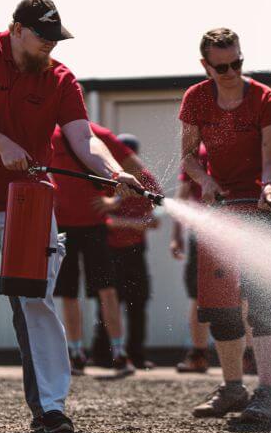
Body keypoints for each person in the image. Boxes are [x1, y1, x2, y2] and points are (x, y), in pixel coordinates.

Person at [0, 0, 141, 433]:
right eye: (42, 36)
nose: (50, 45)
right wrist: (2, 144)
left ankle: (50, 407)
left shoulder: (61, 79)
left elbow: (84, 138)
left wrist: (114, 172)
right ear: (16, 29)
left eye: (56, 38)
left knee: (37, 303)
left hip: (28, 203)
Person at [179, 27, 271, 423]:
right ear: (205, 66)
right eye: (222, 66)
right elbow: (189, 157)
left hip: (267, 208)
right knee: (221, 305)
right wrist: (205, 181)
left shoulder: (265, 99)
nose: (231, 72)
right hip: (222, 211)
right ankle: (232, 389)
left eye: (237, 63)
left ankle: (265, 394)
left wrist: (268, 186)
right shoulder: (196, 99)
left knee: (266, 304)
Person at [50, 122, 140, 377]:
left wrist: (115, 201)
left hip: (94, 226)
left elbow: (135, 168)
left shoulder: (98, 134)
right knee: (68, 292)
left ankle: (119, 353)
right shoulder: (48, 134)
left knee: (107, 289)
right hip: (62, 226)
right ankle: (76, 353)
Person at [93, 133, 161, 370]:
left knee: (137, 302)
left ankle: (137, 355)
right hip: (109, 249)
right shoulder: (104, 177)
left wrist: (127, 223)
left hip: (134, 249)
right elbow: (98, 217)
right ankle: (103, 355)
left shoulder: (145, 180)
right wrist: (132, 223)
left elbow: (155, 220)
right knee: (107, 302)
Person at [171, 143, 212, 373]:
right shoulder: (196, 154)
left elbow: (182, 195)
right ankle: (199, 354)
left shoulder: (196, 153)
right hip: (204, 230)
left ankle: (199, 354)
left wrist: (176, 235)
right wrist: (177, 234)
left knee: (201, 295)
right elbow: (183, 195)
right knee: (199, 294)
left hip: (220, 227)